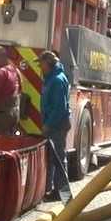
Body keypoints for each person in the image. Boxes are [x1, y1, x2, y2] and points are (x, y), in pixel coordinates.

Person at [39, 50, 72, 203]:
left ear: (48, 64)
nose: (40, 66)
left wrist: (48, 124)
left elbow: (60, 108)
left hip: (57, 125)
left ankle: (60, 192)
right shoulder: (52, 78)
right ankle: (53, 189)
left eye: (41, 63)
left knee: (58, 158)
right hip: (55, 124)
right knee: (53, 158)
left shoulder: (57, 80)